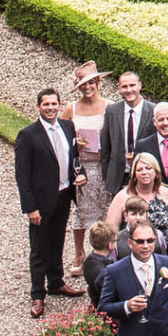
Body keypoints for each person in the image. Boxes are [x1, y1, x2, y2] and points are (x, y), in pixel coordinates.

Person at [15, 87, 82, 317]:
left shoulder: (67, 126)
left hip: (64, 195)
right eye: (46, 105)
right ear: (38, 107)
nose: (51, 108)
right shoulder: (28, 135)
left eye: (54, 104)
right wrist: (30, 208)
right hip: (41, 201)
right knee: (39, 247)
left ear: (59, 104)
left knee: (57, 240)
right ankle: (37, 294)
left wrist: (78, 174)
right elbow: (22, 176)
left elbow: (74, 158)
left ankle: (56, 281)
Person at [66, 60, 108, 280]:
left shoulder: (109, 106)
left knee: (105, 208)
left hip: (103, 165)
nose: (88, 87)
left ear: (98, 82)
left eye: (91, 82)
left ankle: (103, 251)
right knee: (80, 210)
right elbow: (60, 137)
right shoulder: (71, 108)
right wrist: (75, 142)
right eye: (83, 84)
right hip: (82, 166)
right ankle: (78, 253)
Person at [106, 150, 168, 255]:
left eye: (148, 168)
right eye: (139, 170)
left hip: (163, 252)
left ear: (156, 172)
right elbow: (109, 232)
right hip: (130, 252)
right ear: (134, 174)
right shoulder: (122, 196)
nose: (144, 172)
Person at [100, 70, 155, 201]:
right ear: (119, 88)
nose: (128, 90)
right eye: (124, 87)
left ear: (139, 85)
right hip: (118, 175)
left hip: (144, 174)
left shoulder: (153, 110)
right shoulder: (112, 111)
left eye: (132, 85)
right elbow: (105, 145)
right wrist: (107, 176)